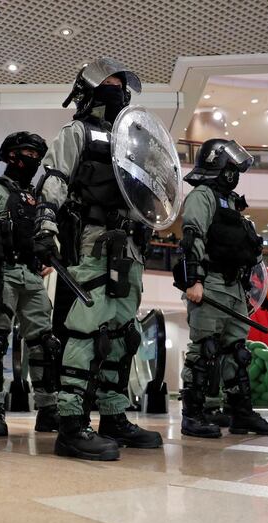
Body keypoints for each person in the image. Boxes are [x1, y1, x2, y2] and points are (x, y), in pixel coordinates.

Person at [34, 58, 163, 461]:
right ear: (89, 89)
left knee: (125, 335)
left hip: (129, 249)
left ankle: (113, 416)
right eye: (108, 82)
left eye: (121, 85)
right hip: (91, 243)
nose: (117, 89)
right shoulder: (77, 132)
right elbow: (54, 179)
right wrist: (45, 227)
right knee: (86, 334)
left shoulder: (134, 142)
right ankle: (71, 424)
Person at [176, 138, 268, 438]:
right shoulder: (202, 196)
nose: (235, 171)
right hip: (209, 285)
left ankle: (240, 414)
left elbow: (246, 249)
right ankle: (193, 416)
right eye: (231, 165)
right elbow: (192, 236)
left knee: (237, 353)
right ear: (217, 165)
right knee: (204, 351)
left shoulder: (232, 201)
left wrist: (262, 291)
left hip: (235, 288)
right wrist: (193, 280)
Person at [0, 132, 61, 436]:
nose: (32, 160)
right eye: (26, 154)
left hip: (31, 277)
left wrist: (44, 261)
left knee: (44, 344)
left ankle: (47, 409)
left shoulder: (35, 197)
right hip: (0, 274)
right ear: (10, 157)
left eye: (36, 155)